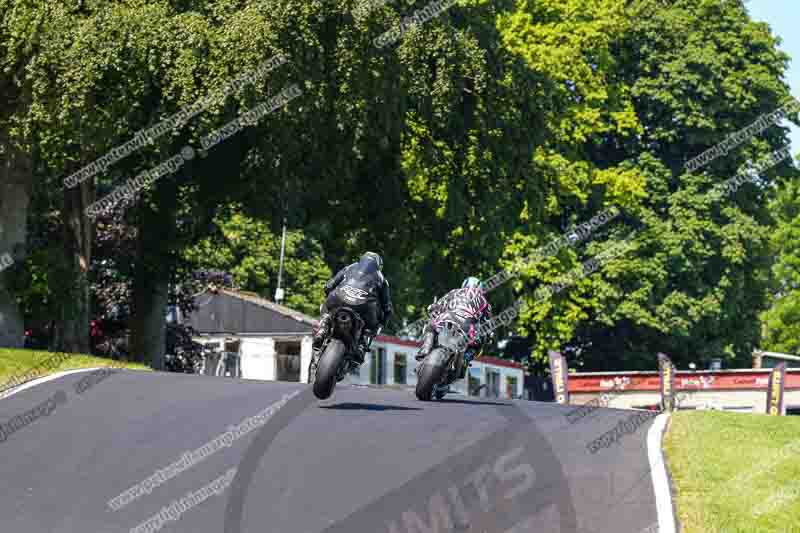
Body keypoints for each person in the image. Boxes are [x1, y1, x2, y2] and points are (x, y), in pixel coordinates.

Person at [312, 252, 393, 361]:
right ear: (379, 266)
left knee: (326, 307)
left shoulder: (349, 267)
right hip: (365, 308)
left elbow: (329, 286)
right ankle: (362, 344)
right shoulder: (382, 279)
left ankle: (323, 326)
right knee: (372, 327)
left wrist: (329, 293)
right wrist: (383, 321)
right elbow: (386, 306)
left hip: (338, 298)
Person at [415, 277, 494, 375]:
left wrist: (432, 308)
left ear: (464, 285)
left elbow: (437, 305)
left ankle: (426, 348)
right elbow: (488, 323)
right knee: (478, 344)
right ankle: (465, 360)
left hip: (448, 319)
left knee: (431, 326)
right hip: (468, 327)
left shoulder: (455, 292)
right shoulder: (484, 302)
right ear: (480, 288)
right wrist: (489, 335)